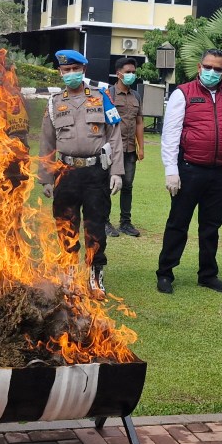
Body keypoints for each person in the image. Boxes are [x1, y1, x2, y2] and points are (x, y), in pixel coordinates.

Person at [156, 49, 222, 294]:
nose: (212, 72)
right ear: (199, 67)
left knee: (211, 227)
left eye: (218, 69)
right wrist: (171, 170)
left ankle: (207, 274)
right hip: (189, 169)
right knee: (178, 223)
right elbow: (170, 135)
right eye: (208, 67)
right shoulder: (183, 93)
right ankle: (165, 273)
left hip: (220, 172)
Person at [39, 49, 123, 299]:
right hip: (65, 173)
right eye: (67, 71)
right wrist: (45, 177)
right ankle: (69, 276)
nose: (71, 74)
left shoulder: (102, 97)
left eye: (76, 70)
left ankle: (95, 278)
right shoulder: (54, 103)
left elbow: (115, 135)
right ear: (60, 73)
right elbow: (47, 142)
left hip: (96, 173)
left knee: (96, 226)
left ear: (83, 71)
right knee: (66, 225)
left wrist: (117, 172)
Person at [104, 57, 145, 237]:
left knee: (128, 186)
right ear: (119, 73)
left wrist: (141, 147)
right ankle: (104, 221)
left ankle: (125, 223)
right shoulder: (109, 94)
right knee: (106, 185)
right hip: (112, 150)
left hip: (129, 149)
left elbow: (139, 122)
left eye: (134, 72)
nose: (131, 75)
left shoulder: (136, 95)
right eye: (128, 72)